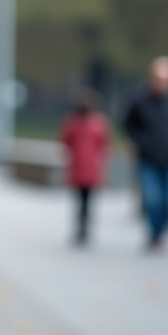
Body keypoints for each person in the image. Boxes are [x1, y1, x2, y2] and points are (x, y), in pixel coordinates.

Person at [123, 56, 168, 251]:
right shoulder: (138, 98)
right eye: (158, 80)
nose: (162, 84)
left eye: (166, 80)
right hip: (147, 159)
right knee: (153, 199)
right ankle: (154, 234)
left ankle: (161, 232)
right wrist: (141, 143)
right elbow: (128, 125)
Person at [59, 89, 109, 246]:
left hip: (81, 168)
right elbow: (105, 145)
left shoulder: (72, 123)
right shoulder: (98, 124)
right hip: (89, 169)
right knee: (86, 201)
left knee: (82, 201)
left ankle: (82, 227)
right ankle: (84, 227)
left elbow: (64, 142)